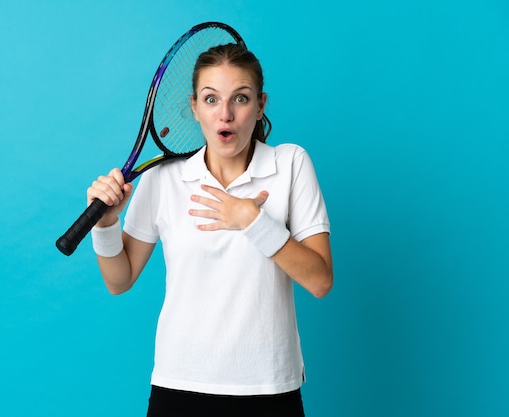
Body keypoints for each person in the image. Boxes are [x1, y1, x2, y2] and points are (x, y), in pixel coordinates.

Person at [87, 43, 333, 417]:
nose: (226, 114)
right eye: (211, 99)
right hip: (180, 385)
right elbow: (119, 281)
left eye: (241, 98)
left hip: (269, 386)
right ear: (194, 107)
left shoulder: (291, 163)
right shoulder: (163, 178)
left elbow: (319, 280)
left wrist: (252, 222)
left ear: (261, 105)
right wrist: (106, 224)